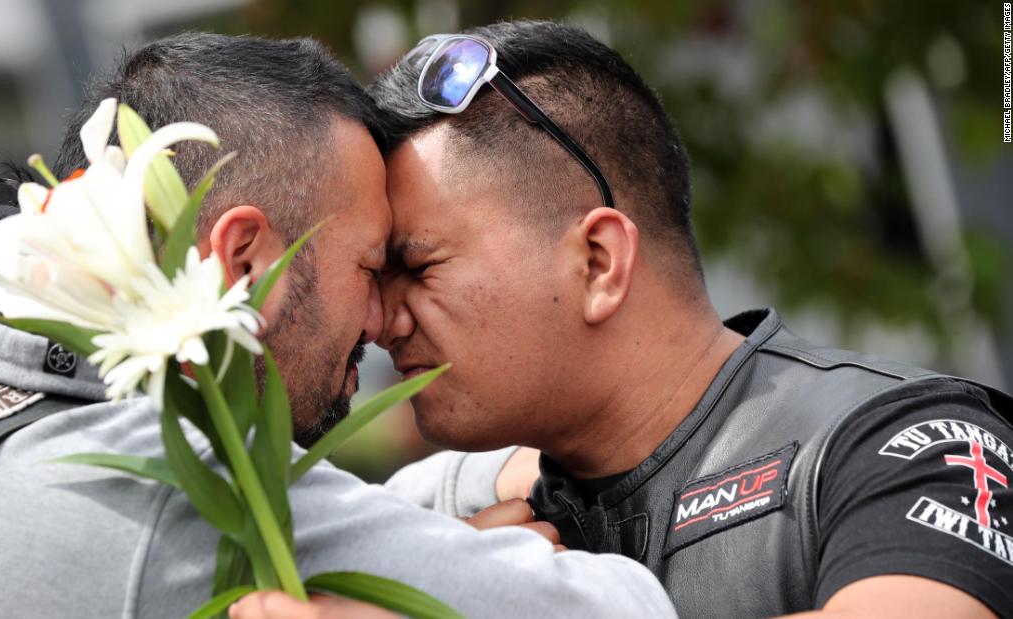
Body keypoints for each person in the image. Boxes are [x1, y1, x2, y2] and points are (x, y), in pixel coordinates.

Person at [0, 33, 678, 618]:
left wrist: (479, 488)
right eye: (372, 265)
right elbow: (620, 606)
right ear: (241, 259)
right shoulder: (152, 482)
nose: (381, 321)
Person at [363, 19, 1013, 618]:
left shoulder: (909, 442)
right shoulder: (444, 512)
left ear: (598, 261)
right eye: (374, 275)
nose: (378, 320)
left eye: (417, 268)